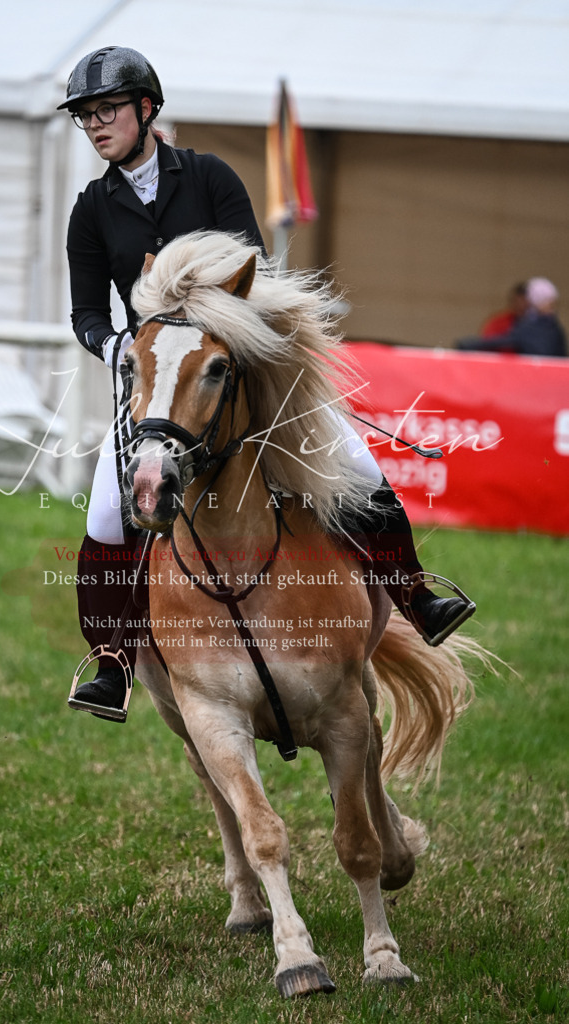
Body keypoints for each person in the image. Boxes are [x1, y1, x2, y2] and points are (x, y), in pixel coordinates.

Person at [60, 46, 475, 721]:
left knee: (356, 461)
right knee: (106, 514)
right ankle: (111, 663)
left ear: (147, 108)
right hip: (158, 381)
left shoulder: (209, 176)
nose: (97, 124)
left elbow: (252, 270)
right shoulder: (90, 210)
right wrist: (120, 347)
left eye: (108, 109)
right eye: (86, 116)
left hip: (234, 367)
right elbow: (84, 313)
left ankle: (416, 596)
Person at [458, 278, 566, 357]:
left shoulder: (547, 326)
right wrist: (471, 345)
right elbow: (501, 341)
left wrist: (471, 345)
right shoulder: (509, 322)